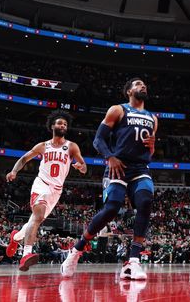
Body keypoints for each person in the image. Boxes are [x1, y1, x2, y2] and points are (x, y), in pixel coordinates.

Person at [61, 77, 158, 281]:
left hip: (140, 167)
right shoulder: (118, 110)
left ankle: (133, 261)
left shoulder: (153, 118)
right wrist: (110, 157)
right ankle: (76, 250)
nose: (143, 86)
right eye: (138, 84)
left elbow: (150, 154)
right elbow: (98, 139)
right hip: (118, 166)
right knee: (112, 208)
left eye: (144, 85)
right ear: (129, 91)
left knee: (146, 202)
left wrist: (152, 146)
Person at [5, 110, 87, 271]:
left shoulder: (71, 146)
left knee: (35, 221)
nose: (62, 125)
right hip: (41, 184)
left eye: (65, 124)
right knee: (38, 216)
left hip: (56, 191)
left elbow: (84, 166)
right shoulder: (43, 146)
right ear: (52, 126)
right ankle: (26, 254)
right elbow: (23, 159)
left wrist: (80, 167)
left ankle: (15, 237)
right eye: (59, 123)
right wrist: (14, 171)